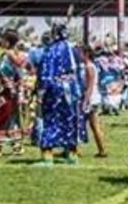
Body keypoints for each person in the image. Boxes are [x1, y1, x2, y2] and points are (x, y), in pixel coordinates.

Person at [33, 23, 87, 166]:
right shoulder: (74, 50)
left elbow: (45, 73)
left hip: (55, 90)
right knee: (71, 121)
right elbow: (80, 71)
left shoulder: (51, 50)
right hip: (73, 90)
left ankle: (47, 157)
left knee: (51, 120)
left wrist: (40, 91)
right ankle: (72, 155)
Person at [0, 29, 27, 157]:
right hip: (14, 92)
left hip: (3, 93)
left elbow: (1, 73)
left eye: (3, 39)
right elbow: (20, 76)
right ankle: (17, 147)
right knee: (13, 119)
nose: (1, 41)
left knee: (0, 118)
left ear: (7, 42)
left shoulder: (6, 56)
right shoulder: (21, 56)